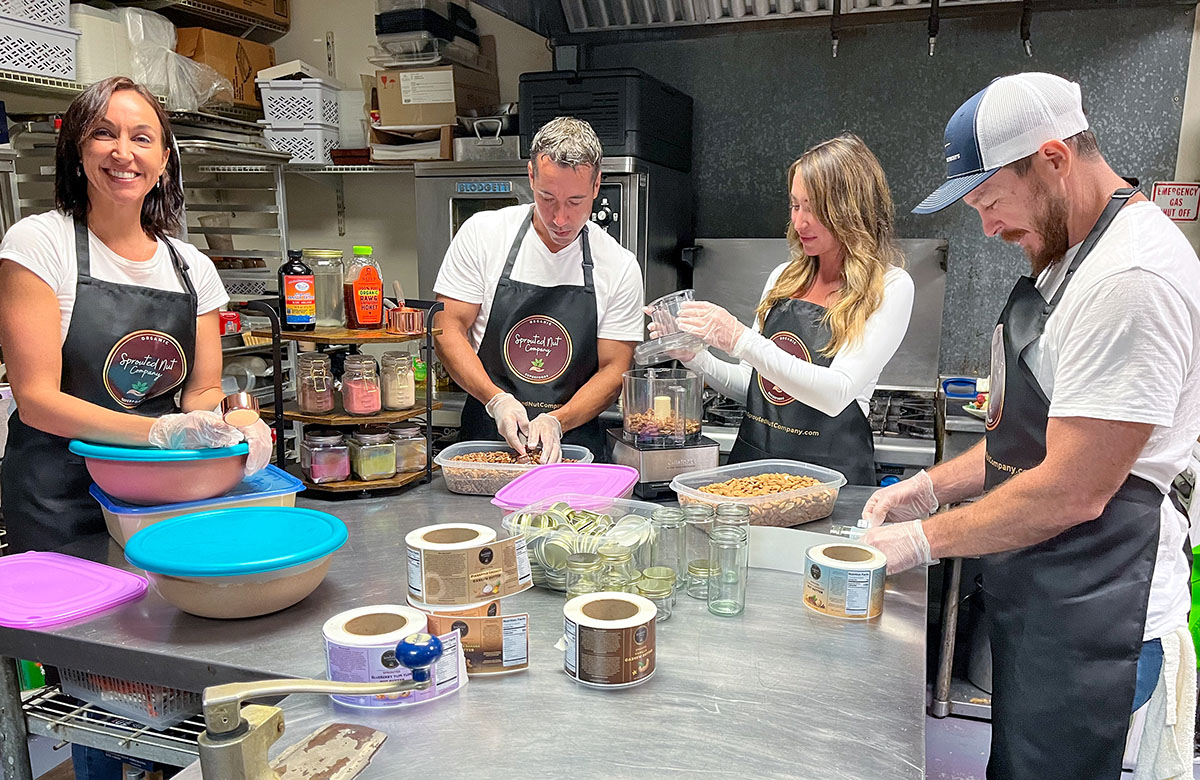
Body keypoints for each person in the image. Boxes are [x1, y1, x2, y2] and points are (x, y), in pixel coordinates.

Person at [862, 73, 1200, 778]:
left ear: (1053, 160)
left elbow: (1070, 488)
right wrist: (926, 488)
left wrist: (921, 540)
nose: (988, 226)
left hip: (1099, 618)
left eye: (989, 200)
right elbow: (1030, 445)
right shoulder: (1072, 260)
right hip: (1050, 596)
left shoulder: (1130, 279)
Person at [0, 76, 272, 555]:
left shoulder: (192, 266)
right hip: (58, 500)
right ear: (77, 151)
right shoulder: (40, 243)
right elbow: (36, 399)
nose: (122, 153)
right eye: (104, 134)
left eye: (141, 138)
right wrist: (160, 432)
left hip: (160, 496)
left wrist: (239, 417)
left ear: (164, 160)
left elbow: (202, 393)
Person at [657, 134, 914, 484]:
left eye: (814, 208)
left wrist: (740, 339)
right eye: (795, 205)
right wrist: (694, 357)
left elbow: (836, 393)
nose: (799, 222)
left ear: (852, 209)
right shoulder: (784, 278)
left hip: (832, 481)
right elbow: (752, 387)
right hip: (754, 472)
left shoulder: (890, 286)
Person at [433, 117, 643, 462]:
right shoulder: (484, 235)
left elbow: (614, 369)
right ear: (531, 176)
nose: (560, 218)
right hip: (487, 439)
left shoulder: (618, 266)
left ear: (596, 185)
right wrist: (495, 399)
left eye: (575, 202)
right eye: (547, 198)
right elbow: (447, 328)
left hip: (572, 446)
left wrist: (557, 421)